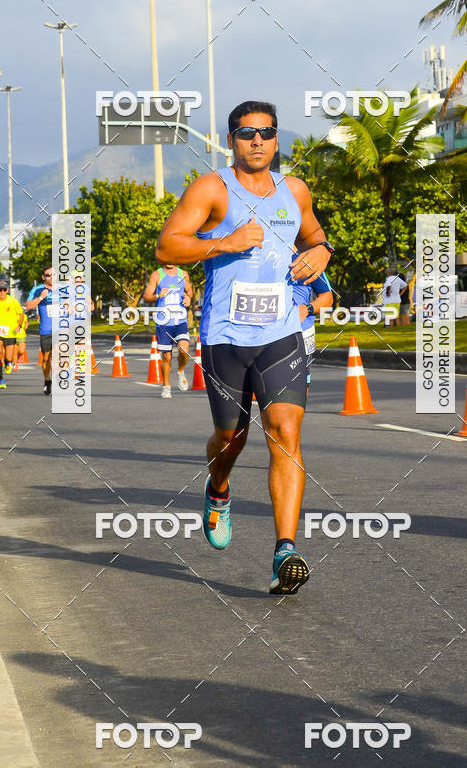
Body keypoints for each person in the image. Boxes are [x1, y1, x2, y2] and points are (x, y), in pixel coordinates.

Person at [156, 100, 334, 594]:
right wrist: (225, 243)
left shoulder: (294, 189)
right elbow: (168, 247)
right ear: (231, 139)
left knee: (285, 432)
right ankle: (218, 488)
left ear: (277, 140)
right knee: (231, 439)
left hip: (280, 333)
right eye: (245, 133)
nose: (257, 141)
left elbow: (315, 235)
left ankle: (284, 551)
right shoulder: (211, 188)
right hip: (224, 337)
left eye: (266, 133)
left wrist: (321, 251)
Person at [143, 264, 193, 397]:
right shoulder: (157, 275)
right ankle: (166, 386)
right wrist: (158, 295)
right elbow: (146, 296)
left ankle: (180, 370)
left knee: (184, 351)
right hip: (164, 322)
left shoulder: (183, 274)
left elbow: (189, 291)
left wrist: (189, 298)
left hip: (180, 320)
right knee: (167, 357)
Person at [291, 262, 333, 389]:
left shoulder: (308, 259)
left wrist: (307, 308)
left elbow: (327, 297)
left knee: (299, 393)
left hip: (301, 333)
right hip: (261, 334)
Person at [25, 266, 54, 395]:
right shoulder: (37, 290)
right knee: (46, 358)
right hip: (46, 330)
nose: (51, 277)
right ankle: (47, 380)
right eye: (48, 275)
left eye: (54, 274)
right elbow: (29, 306)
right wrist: (41, 298)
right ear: (43, 277)